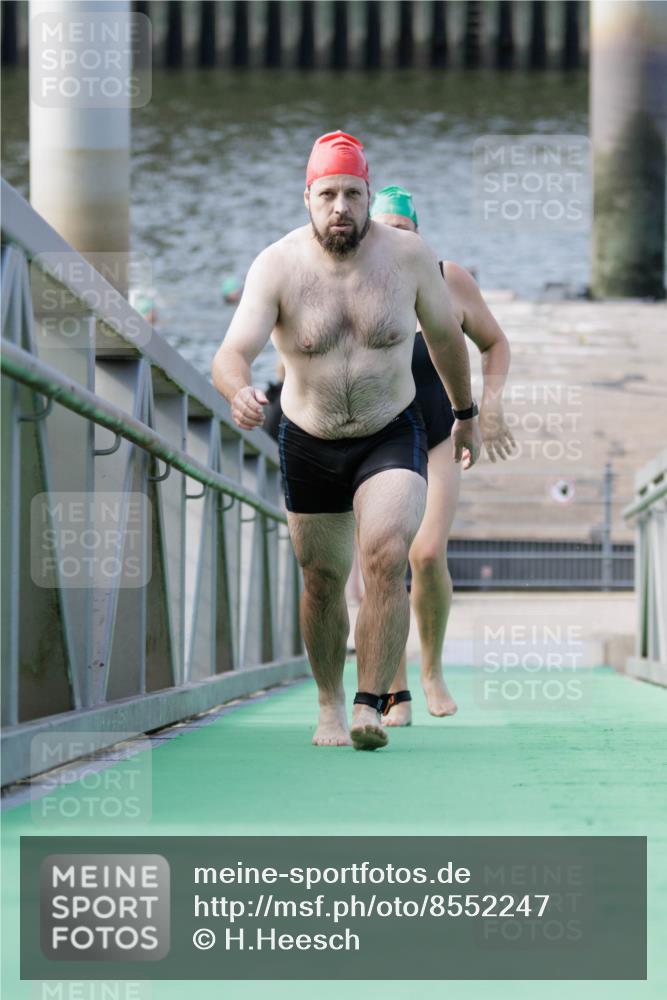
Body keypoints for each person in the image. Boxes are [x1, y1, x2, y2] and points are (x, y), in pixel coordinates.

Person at [211, 131, 481, 752]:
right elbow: (233, 350)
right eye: (328, 194)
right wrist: (236, 390)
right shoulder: (277, 265)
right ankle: (329, 704)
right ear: (306, 197)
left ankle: (370, 702)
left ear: (367, 194)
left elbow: (446, 338)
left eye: (353, 194)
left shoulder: (408, 258)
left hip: (391, 431)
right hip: (309, 440)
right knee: (323, 580)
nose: (341, 207)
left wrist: (465, 412)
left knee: (387, 554)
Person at [369, 185, 515, 726]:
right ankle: (394, 686)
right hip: (378, 437)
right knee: (384, 560)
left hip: (437, 434)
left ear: (420, 233)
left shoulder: (447, 277)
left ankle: (431, 669)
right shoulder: (359, 277)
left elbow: (495, 343)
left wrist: (488, 408)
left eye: (403, 232)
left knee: (427, 554)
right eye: (384, 231)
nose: (394, 242)